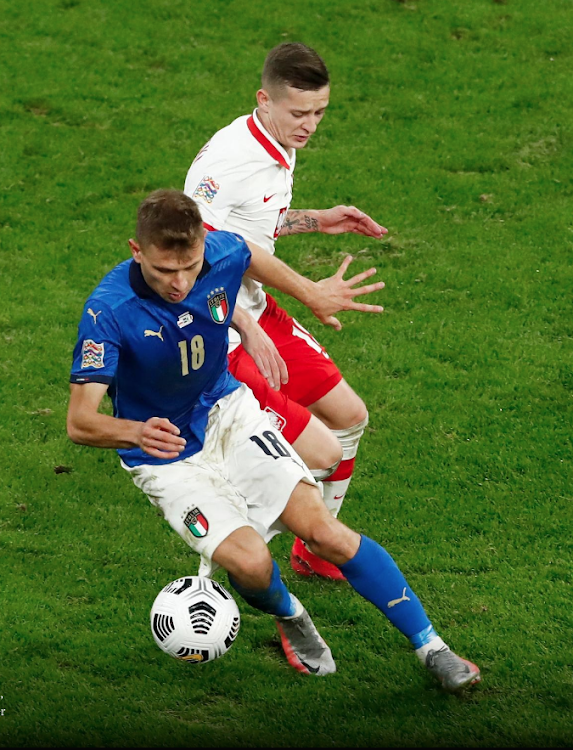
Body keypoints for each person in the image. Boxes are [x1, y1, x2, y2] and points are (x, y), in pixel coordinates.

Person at [67, 189, 481, 692]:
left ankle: (433, 648)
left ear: (204, 245)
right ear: (137, 251)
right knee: (250, 562)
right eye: (162, 272)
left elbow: (248, 259)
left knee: (324, 532)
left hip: (228, 411)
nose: (178, 284)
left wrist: (288, 303)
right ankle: (291, 614)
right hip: (164, 453)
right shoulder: (108, 310)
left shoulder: (220, 250)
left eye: (189, 268)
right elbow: (80, 422)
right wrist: (135, 430)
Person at [184, 41, 388, 582]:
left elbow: (253, 227)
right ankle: (240, 571)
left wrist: (315, 220)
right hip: (221, 330)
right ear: (264, 100)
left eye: (320, 112)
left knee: (350, 417)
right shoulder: (229, 161)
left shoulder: (277, 141)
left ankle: (317, 551)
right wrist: (246, 324)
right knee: (298, 460)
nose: (310, 126)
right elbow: (191, 256)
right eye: (300, 114)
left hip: (252, 306)